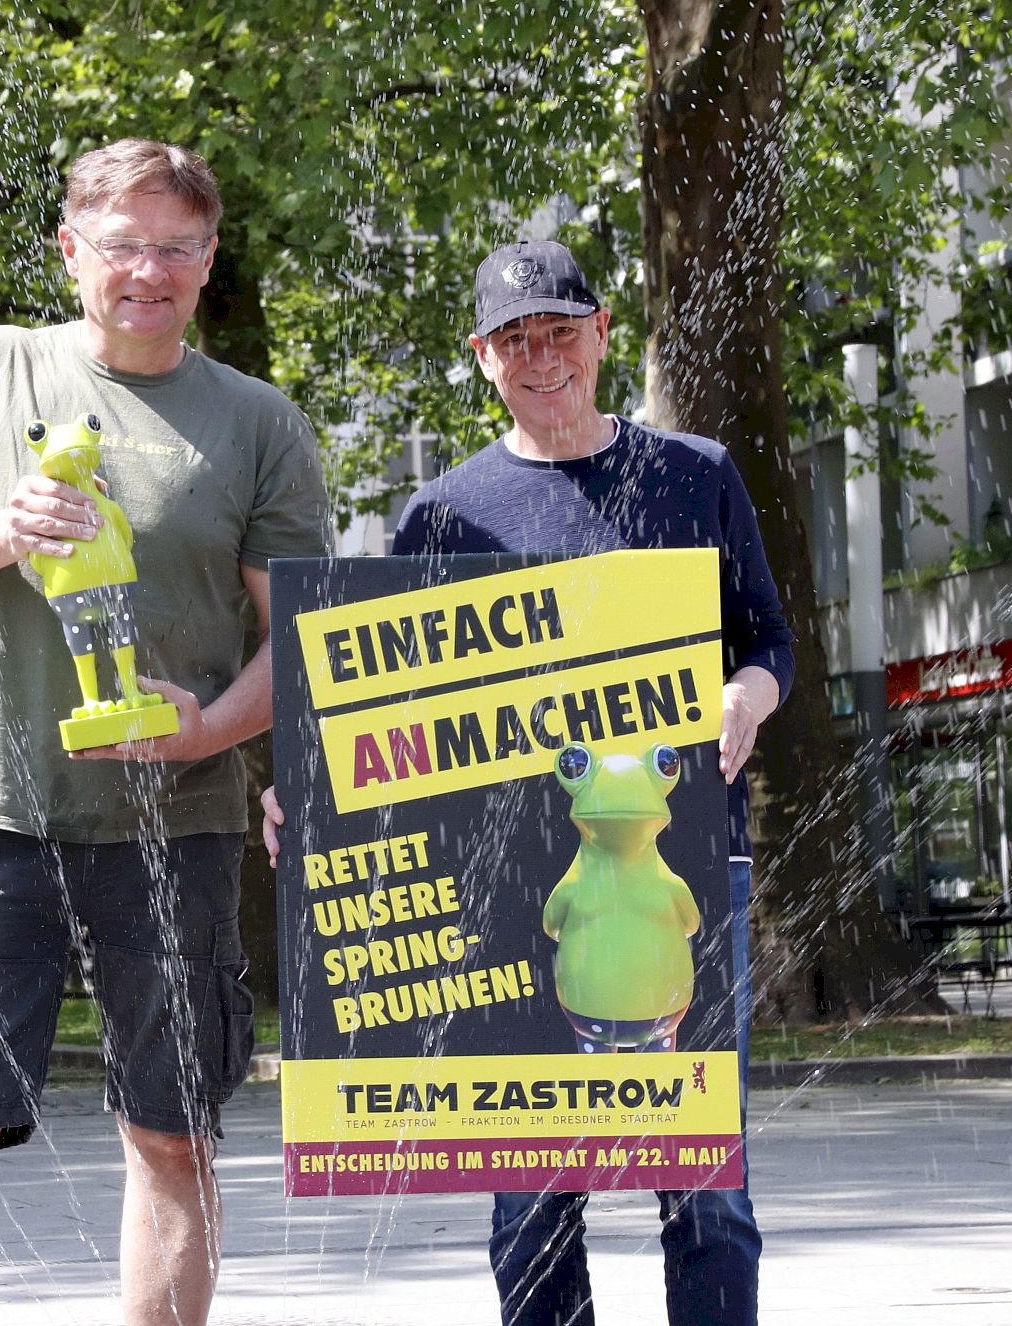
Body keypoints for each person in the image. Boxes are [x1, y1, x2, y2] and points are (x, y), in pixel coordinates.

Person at [264, 239, 789, 1326]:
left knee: (707, 1192)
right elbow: (384, 716)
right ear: (482, 360)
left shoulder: (697, 474)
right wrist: (310, 798)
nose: (541, 357)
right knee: (531, 1194)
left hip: (691, 867)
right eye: (515, 341)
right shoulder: (441, 516)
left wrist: (748, 697)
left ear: (603, 335)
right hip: (505, 898)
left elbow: (770, 641)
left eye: (560, 332)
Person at [0, 138, 329, 1326]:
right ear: (73, 251)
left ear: (208, 260)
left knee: (170, 1136)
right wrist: (3, 529)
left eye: (176, 246)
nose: (148, 270)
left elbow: (303, 641)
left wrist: (206, 729)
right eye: (123, 244)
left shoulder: (259, 424)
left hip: (180, 822)